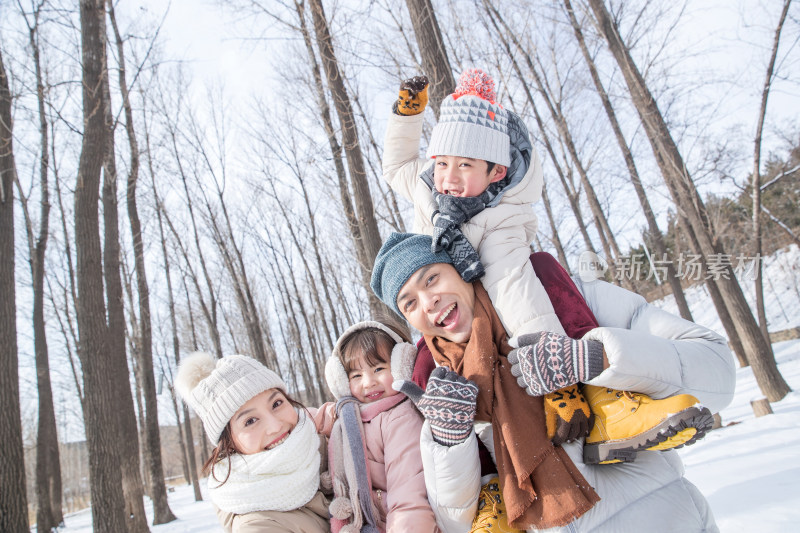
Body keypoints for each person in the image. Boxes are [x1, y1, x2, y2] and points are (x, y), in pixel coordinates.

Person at [382, 69, 712, 465]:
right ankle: (484, 481)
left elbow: (518, 294)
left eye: (465, 166)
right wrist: (408, 114)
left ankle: (604, 400)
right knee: (424, 368)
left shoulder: (499, 218)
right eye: (442, 164)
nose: (448, 179)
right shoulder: (428, 189)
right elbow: (397, 165)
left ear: (496, 173)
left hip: (500, 316)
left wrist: (559, 378)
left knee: (542, 268)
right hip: (451, 318)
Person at [370, 232, 735, 533]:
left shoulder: (556, 294)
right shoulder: (434, 383)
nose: (428, 301)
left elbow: (717, 371)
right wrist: (450, 442)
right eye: (409, 303)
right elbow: (455, 521)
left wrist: (596, 360)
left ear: (460, 270)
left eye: (431, 278)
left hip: (664, 518)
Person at [174, 352, 330, 533]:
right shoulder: (257, 527)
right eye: (250, 421)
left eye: (276, 404)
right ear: (229, 443)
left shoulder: (333, 442)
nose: (275, 426)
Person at [322, 319, 440, 532]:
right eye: (356, 375)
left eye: (378, 368)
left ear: (400, 366)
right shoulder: (349, 416)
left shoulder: (400, 417)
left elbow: (409, 494)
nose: (368, 382)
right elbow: (311, 418)